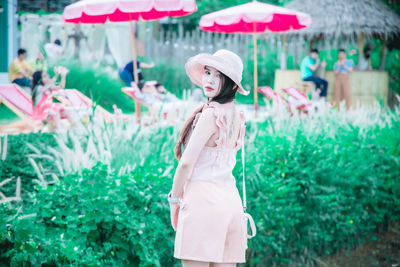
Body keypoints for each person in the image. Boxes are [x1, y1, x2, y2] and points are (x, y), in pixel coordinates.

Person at [168, 49, 253, 266]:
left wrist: (174, 199)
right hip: (230, 205)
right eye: (208, 72)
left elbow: (187, 162)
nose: (210, 80)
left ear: (232, 84)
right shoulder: (237, 116)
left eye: (219, 76)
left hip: (201, 205)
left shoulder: (210, 114)